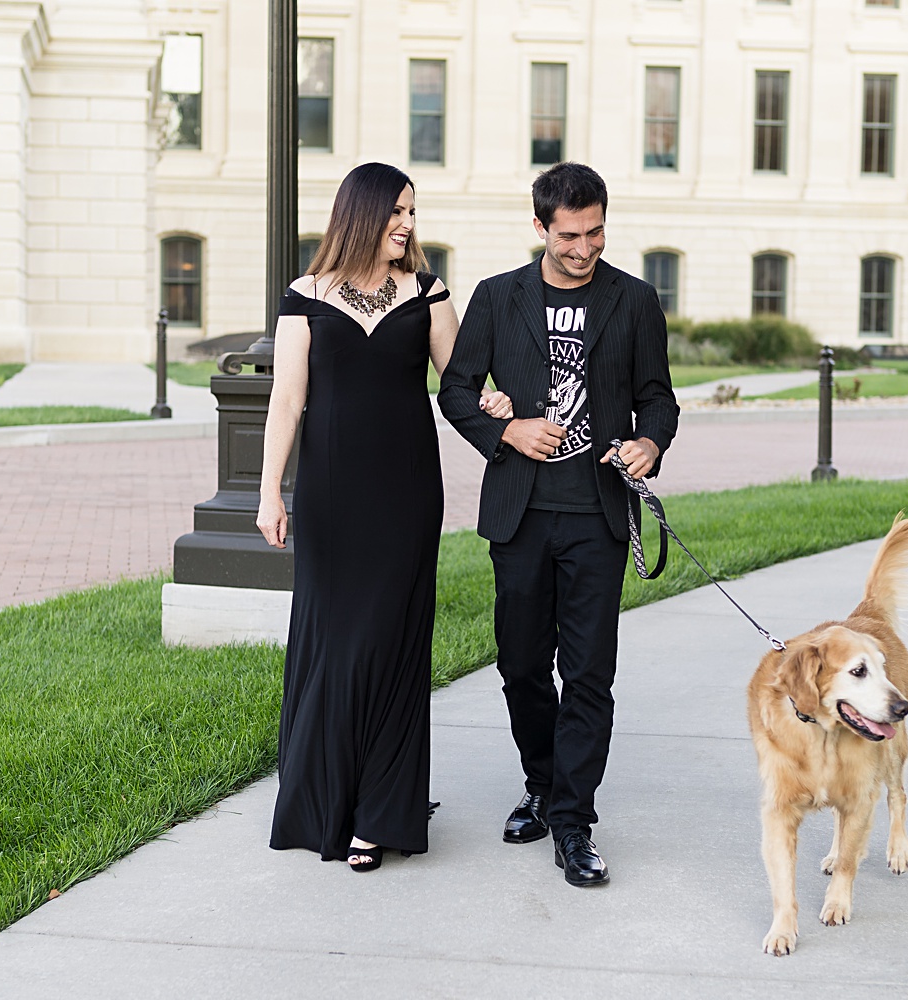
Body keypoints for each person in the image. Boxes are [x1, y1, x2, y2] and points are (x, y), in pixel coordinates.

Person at [258, 162, 512, 872]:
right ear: (362, 215)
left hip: (404, 494)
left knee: (391, 647)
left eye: (411, 211)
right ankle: (326, 803)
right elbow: (287, 401)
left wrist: (495, 404)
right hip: (332, 494)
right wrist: (268, 492)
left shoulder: (427, 293)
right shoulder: (304, 297)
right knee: (334, 644)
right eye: (396, 211)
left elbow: (460, 382)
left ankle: (379, 813)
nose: (406, 223)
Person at [437, 162, 679, 887]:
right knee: (520, 667)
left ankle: (573, 820)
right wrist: (506, 435)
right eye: (570, 234)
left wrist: (650, 443)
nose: (585, 248)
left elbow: (657, 397)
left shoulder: (634, 300)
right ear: (540, 226)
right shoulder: (496, 297)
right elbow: (454, 390)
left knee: (590, 677)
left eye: (596, 231)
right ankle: (541, 783)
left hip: (598, 516)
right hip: (520, 516)